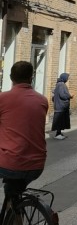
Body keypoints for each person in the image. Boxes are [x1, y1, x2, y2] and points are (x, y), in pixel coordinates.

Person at [0, 61, 48, 200]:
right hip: (37, 164)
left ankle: (14, 209)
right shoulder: (42, 100)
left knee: (13, 182)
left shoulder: (3, 99)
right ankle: (15, 209)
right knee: (14, 192)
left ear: (11, 77)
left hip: (11, 164)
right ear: (31, 77)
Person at [51, 72, 73, 139]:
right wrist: (69, 96)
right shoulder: (61, 84)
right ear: (64, 78)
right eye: (67, 78)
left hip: (60, 105)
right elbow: (62, 95)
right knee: (59, 120)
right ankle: (58, 134)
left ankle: (59, 133)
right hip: (61, 106)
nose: (68, 79)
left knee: (61, 120)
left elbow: (55, 91)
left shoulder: (59, 84)